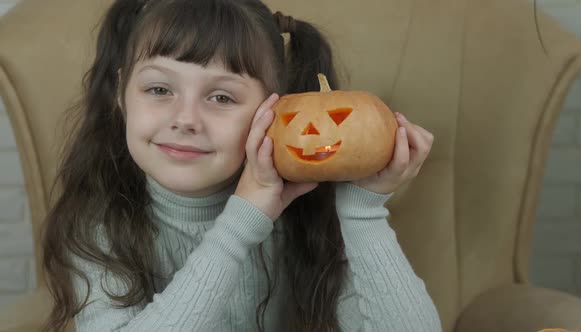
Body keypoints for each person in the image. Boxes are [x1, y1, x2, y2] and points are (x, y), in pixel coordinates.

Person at [41, 0, 441, 331]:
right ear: (122, 95)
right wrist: (242, 222)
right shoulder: (97, 225)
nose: (186, 119)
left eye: (221, 98)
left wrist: (362, 211)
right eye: (159, 89)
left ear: (278, 110)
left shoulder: (309, 216)